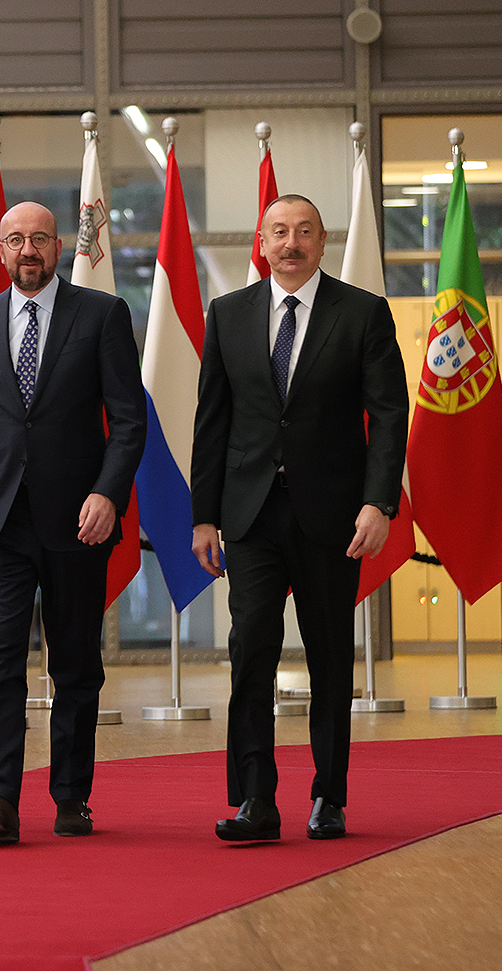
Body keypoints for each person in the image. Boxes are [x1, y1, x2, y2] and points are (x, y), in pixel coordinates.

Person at [191, 194, 407, 842]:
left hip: (333, 515)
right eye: (279, 232)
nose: (291, 243)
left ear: (321, 242)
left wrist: (379, 502)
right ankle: (255, 799)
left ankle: (329, 796)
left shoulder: (362, 313)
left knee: (330, 656)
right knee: (250, 650)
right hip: (250, 514)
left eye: (304, 232)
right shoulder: (228, 314)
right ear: (261, 242)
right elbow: (212, 422)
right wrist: (203, 517)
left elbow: (389, 415)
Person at [0, 201, 145, 844]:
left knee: (76, 662)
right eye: (15, 240)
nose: (27, 250)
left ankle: (71, 797)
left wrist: (108, 495)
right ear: (0, 251)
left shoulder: (103, 314)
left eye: (39, 239)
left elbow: (129, 421)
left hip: (79, 521)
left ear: (59, 247)